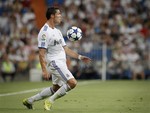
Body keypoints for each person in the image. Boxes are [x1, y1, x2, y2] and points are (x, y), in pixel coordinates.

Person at [22, 7, 91, 110]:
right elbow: (41, 53)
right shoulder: (44, 32)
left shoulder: (57, 31)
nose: (61, 16)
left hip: (61, 63)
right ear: (52, 16)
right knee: (72, 83)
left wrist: (80, 57)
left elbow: (66, 49)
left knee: (56, 88)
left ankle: (29, 101)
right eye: (58, 14)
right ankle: (49, 101)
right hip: (55, 63)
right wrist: (44, 69)